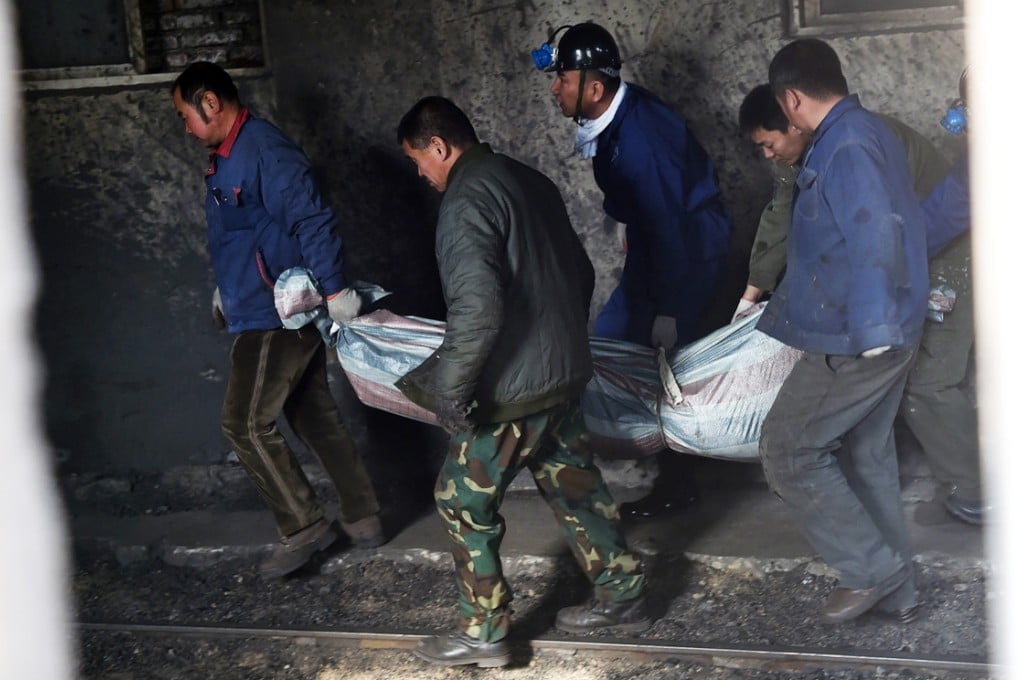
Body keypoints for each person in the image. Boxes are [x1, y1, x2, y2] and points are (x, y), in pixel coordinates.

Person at [395, 96, 652, 668]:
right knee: (573, 483)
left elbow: (477, 308)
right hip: (562, 373)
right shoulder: (527, 179)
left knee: (460, 499)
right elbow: (580, 272)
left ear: (440, 146)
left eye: (419, 160)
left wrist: (452, 391)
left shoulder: (464, 200)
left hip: (516, 389)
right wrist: (559, 345)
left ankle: (484, 630)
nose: (421, 173)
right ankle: (622, 591)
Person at [171, 61, 384, 579]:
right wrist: (227, 289)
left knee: (243, 422)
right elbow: (238, 233)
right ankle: (363, 517)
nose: (186, 128)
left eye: (186, 115)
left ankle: (304, 527)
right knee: (312, 414)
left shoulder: (265, 149)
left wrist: (334, 290)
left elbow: (311, 218)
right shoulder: (224, 158)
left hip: (276, 314)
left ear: (211, 103)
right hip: (252, 302)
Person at [737, 83, 983, 527]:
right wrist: (752, 292)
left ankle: (979, 490)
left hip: (945, 255)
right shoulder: (808, 152)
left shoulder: (857, 146)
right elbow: (784, 216)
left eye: (770, 144)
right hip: (912, 250)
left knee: (928, 379)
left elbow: (897, 228)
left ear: (796, 119)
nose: (769, 155)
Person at [758, 39, 929, 624]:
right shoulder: (864, 132)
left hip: (860, 335)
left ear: (792, 98)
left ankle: (872, 571)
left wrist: (874, 324)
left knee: (788, 449)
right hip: (879, 325)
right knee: (863, 453)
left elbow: (874, 228)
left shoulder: (847, 145)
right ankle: (900, 592)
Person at [535, 21, 733, 517]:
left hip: (686, 251)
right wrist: (631, 225)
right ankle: (656, 463)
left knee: (669, 365)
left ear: (594, 88)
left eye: (563, 78)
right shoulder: (616, 114)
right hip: (660, 241)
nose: (554, 88)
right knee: (614, 340)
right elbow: (650, 204)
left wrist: (668, 310)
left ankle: (681, 485)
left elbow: (671, 226)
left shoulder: (641, 136)